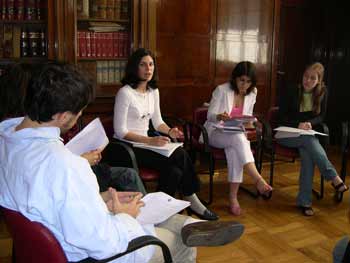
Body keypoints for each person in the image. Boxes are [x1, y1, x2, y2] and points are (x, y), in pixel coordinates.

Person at [0, 63, 244, 263]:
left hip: (60, 230)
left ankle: (191, 224)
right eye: (79, 112)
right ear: (63, 116)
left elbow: (51, 199)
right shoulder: (65, 165)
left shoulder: (7, 142)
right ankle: (186, 232)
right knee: (179, 245)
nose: (78, 118)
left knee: (145, 204)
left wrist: (103, 198)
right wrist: (124, 216)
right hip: (93, 253)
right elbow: (103, 243)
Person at [113, 48, 218, 221]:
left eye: (151, 64)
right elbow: (120, 131)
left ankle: (158, 213)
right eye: (143, 65)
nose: (148, 69)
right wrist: (150, 140)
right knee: (180, 155)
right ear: (134, 68)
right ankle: (193, 200)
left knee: (175, 171)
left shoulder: (154, 92)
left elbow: (157, 121)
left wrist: (170, 131)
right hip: (127, 147)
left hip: (146, 143)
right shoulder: (125, 93)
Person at [277, 62, 348, 216]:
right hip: (285, 133)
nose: (307, 81)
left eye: (312, 78)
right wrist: (298, 124)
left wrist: (310, 123)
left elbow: (321, 116)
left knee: (308, 153)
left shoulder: (322, 92)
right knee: (309, 141)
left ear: (319, 81)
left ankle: (304, 202)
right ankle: (333, 177)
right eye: (305, 77)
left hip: (305, 137)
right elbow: (280, 117)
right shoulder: (291, 90)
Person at [203, 61, 273, 216]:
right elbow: (210, 116)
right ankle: (257, 179)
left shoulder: (252, 92)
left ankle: (233, 197)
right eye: (242, 80)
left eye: (248, 82)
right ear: (235, 78)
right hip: (215, 132)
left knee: (235, 145)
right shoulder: (221, 90)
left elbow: (247, 116)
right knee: (238, 139)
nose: (245, 85)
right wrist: (219, 116)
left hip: (235, 134)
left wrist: (250, 122)